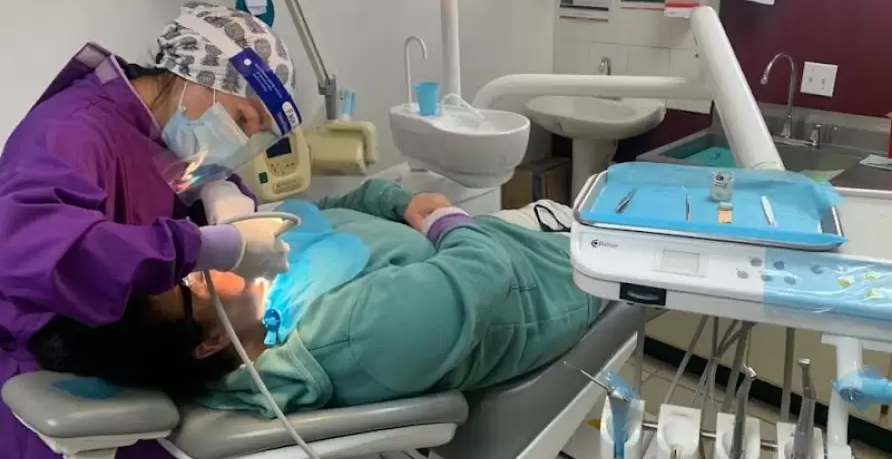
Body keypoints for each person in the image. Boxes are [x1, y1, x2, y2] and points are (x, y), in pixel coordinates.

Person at [0, 2, 302, 458]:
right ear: (195, 75)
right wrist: (200, 247)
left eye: (254, 135)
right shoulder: (72, 132)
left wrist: (228, 200)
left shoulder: (166, 137)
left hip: (127, 372)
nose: (241, 140)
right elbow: (35, 252)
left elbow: (176, 192)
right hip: (49, 385)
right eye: (242, 119)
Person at [29, 179, 603, 416]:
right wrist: (443, 218)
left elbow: (334, 204)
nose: (202, 256)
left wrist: (400, 202)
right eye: (189, 279)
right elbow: (488, 269)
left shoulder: (250, 288)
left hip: (497, 236)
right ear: (211, 340)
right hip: (561, 270)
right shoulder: (352, 335)